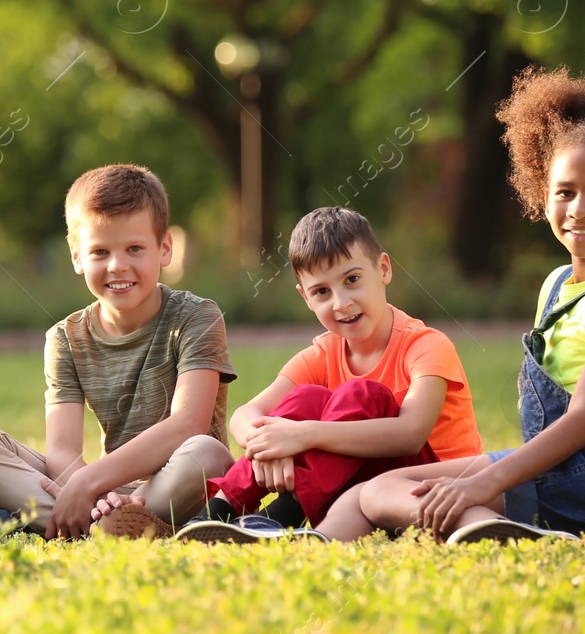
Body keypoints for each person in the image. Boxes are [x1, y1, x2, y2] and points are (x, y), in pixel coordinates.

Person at [360, 68, 585, 545]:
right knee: (378, 489)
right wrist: (481, 480)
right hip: (561, 471)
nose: (580, 209)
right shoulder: (556, 285)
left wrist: (486, 481)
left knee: (418, 492)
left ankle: (487, 527)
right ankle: (315, 536)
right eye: (565, 192)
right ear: (541, 193)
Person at [0, 164, 236, 539]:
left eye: (135, 248)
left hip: (177, 484)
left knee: (207, 453)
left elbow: (188, 424)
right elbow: (62, 449)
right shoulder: (66, 338)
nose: (118, 265)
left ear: (164, 248)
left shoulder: (197, 316)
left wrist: (87, 484)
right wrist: (93, 490)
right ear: (76, 256)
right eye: (100, 251)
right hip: (105, 490)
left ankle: (81, 524)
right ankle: (108, 525)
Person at [174, 207, 481, 543]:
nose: (341, 303)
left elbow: (410, 434)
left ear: (383, 269)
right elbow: (244, 416)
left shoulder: (426, 345)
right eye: (321, 291)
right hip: (353, 486)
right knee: (306, 398)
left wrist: (305, 435)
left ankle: (281, 515)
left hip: (431, 483)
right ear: (305, 297)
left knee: (363, 394)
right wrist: (271, 447)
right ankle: (215, 515)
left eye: (352, 280)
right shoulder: (324, 352)